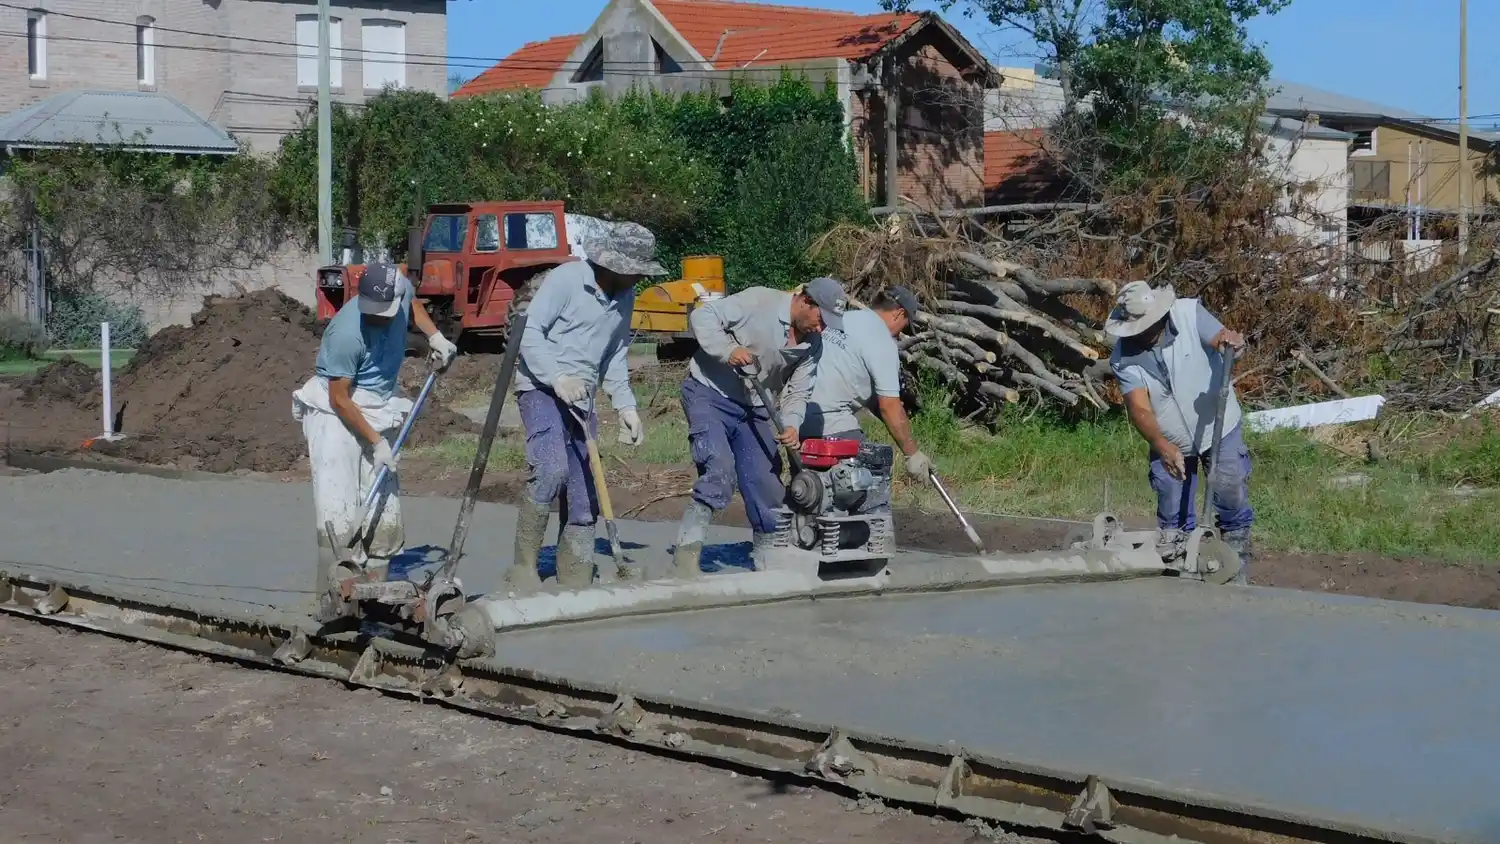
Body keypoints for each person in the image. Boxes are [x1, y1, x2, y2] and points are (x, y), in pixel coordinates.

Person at [506, 216, 664, 593]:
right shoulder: (567, 280)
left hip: (583, 398)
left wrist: (626, 407)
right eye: (635, 272)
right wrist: (556, 378)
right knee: (551, 469)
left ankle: (574, 568)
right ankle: (524, 566)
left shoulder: (624, 298)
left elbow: (614, 355)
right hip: (542, 389)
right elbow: (528, 331)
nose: (639, 279)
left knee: (584, 490)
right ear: (614, 265)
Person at [292, 262, 458, 598]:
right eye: (372, 310)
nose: (378, 317)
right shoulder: (346, 334)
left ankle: (377, 596)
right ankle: (333, 602)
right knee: (337, 509)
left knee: (384, 507)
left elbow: (412, 307)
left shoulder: (401, 291)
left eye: (385, 311)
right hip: (334, 415)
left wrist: (435, 337)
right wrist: (377, 443)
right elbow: (339, 400)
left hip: (378, 403)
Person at [671, 277, 849, 578]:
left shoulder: (812, 344)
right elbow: (702, 316)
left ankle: (769, 557)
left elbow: (798, 392)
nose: (821, 329)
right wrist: (727, 350)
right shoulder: (759, 300)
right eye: (820, 319)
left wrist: (792, 424)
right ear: (806, 301)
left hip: (755, 404)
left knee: (765, 482)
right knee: (719, 467)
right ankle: (686, 555)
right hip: (709, 391)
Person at [1106, 281, 1252, 581]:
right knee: (1172, 509)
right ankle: (1181, 573)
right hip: (1169, 438)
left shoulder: (1188, 313)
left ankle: (1233, 568)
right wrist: (1161, 444)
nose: (1145, 333)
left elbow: (1221, 340)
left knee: (1231, 492)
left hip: (1217, 424)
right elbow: (1140, 408)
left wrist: (1230, 346)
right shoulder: (1123, 358)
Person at [800, 286, 934, 506]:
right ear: (899, 313)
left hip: (796, 421)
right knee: (874, 473)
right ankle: (874, 535)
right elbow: (889, 406)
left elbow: (858, 388)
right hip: (832, 425)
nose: (902, 332)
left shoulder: (843, 319)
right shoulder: (882, 340)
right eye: (906, 324)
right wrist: (912, 454)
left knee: (813, 499)